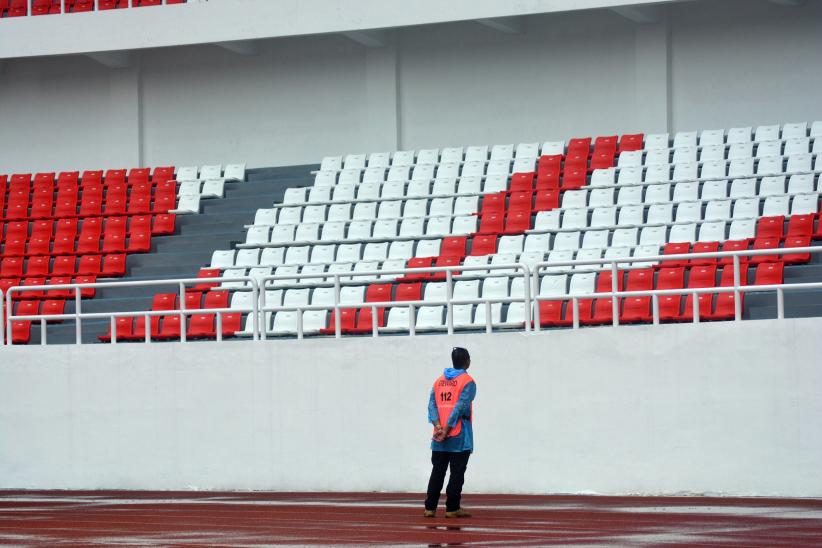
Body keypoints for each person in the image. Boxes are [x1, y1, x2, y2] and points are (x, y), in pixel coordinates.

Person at [423, 347, 476, 519]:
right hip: (459, 436)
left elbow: (431, 406)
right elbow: (460, 407)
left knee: (437, 471)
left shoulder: (438, 381)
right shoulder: (467, 382)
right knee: (457, 473)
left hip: (438, 437)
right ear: (467, 361)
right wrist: (447, 429)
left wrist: (438, 427)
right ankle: (452, 508)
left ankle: (430, 508)